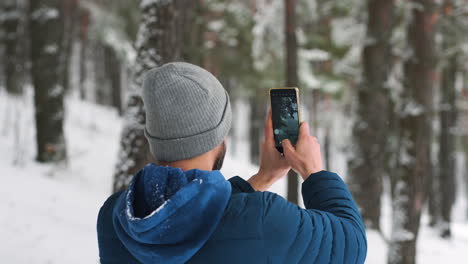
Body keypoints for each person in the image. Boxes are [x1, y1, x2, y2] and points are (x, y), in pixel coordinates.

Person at [97, 62, 367, 264]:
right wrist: (313, 171)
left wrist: (263, 178)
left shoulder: (115, 219)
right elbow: (352, 244)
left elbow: (191, 215)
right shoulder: (264, 220)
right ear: (218, 136)